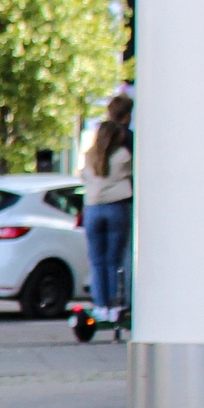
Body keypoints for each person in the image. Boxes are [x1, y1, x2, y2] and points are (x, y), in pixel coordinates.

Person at [82, 95, 134, 314]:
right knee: (114, 260)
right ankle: (114, 305)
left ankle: (99, 305)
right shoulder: (123, 155)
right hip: (116, 207)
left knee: (97, 261)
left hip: (92, 209)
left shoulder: (90, 156)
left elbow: (83, 177)